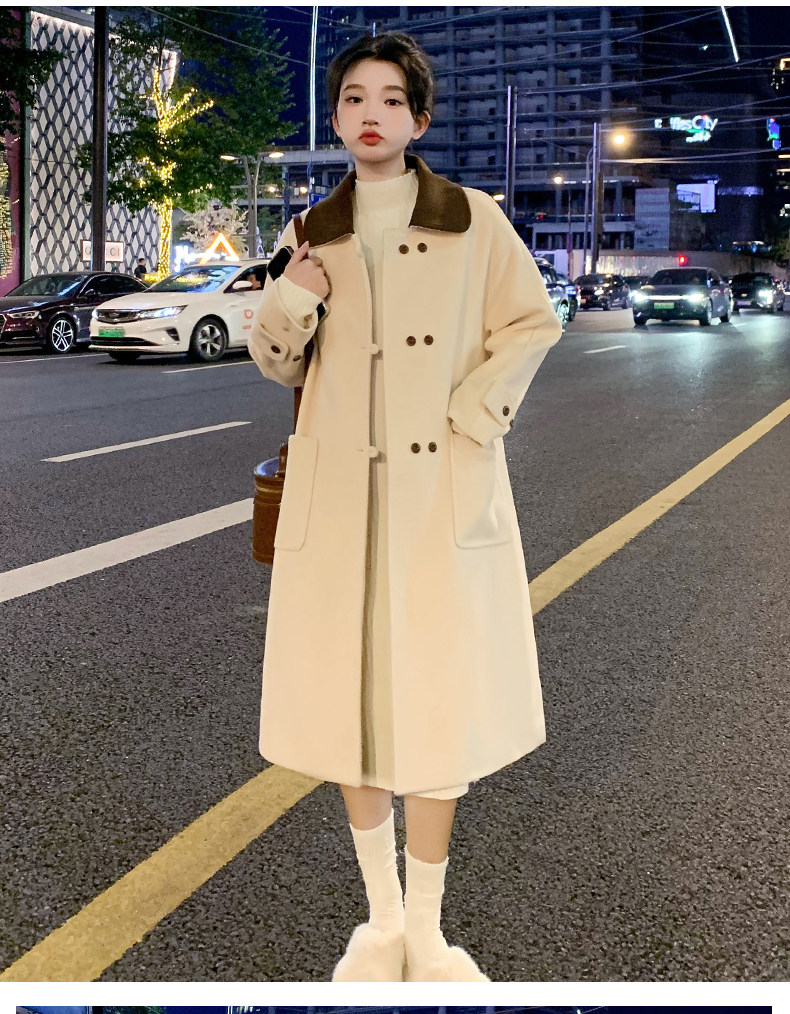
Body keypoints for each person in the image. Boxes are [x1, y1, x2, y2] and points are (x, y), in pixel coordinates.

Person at [248, 31, 561, 982]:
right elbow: (276, 363)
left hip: (437, 494)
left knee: (434, 703)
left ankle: (427, 929)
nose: (370, 113)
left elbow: (532, 321)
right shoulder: (311, 230)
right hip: (343, 504)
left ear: (419, 119)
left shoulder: (474, 218)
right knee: (352, 708)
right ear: (336, 116)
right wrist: (292, 295)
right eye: (354, 97)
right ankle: (381, 921)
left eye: (391, 98)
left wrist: (474, 414)